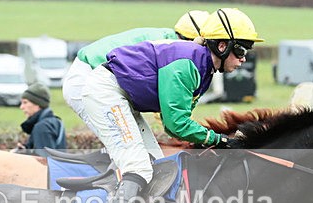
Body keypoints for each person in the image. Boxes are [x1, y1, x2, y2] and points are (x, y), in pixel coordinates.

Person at [80, 7, 262, 203]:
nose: (243, 59)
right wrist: (217, 139)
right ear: (222, 46)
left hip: (122, 96)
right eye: (241, 50)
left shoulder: (203, 67)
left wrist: (211, 139)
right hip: (106, 93)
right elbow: (176, 124)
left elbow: (175, 121)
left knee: (157, 164)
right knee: (139, 167)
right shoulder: (188, 64)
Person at [63, 10, 210, 123]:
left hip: (92, 76)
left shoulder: (167, 38)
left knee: (133, 144)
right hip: (88, 79)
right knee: (123, 143)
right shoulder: (175, 51)